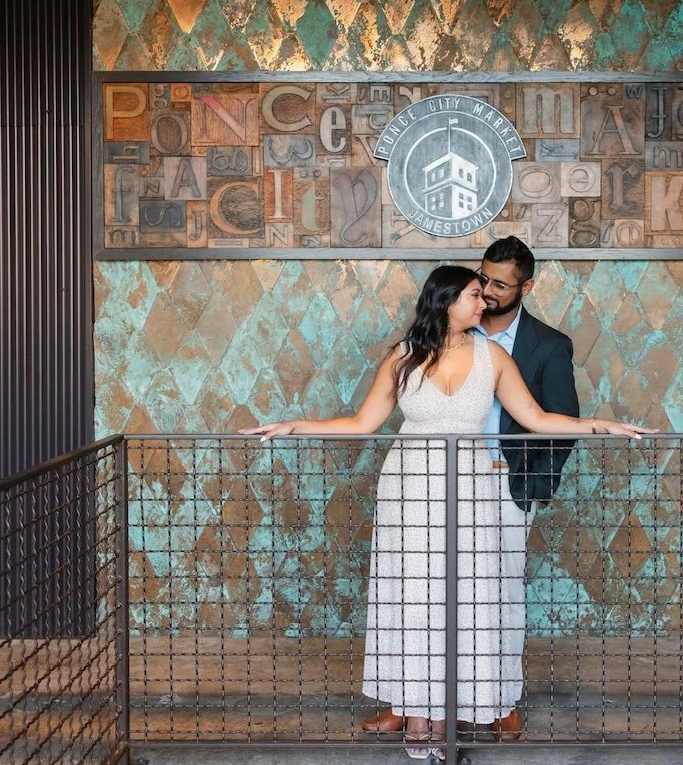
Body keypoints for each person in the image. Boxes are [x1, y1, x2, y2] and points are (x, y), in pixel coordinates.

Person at [241, 265, 654, 759]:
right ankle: (418, 717)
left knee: (466, 596)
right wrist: (296, 426)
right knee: (415, 595)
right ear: (446, 300)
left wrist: (601, 426)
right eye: (475, 295)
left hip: (472, 488)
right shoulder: (403, 357)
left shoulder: (492, 356)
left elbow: (536, 417)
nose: (484, 303)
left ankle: (453, 713)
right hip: (409, 487)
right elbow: (362, 422)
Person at [360, 236, 578, 743]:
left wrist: (534, 484)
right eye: (481, 283)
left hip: (502, 482)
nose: (488, 293)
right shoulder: (429, 343)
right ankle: (411, 701)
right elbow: (372, 414)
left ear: (525, 287)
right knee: (417, 590)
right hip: (423, 482)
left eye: (498, 285)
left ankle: (496, 702)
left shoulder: (545, 344)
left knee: (495, 597)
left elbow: (554, 420)